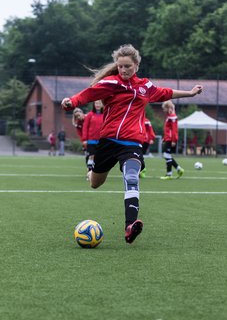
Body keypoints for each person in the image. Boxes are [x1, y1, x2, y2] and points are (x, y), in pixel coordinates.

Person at [61, 44, 203, 244]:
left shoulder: (145, 87)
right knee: (95, 183)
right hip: (108, 142)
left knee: (131, 176)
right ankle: (90, 171)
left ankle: (130, 225)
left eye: (127, 66)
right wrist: (72, 102)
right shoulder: (111, 83)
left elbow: (165, 92)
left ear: (136, 65)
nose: (123, 70)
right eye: (120, 66)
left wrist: (190, 93)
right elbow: (89, 94)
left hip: (132, 143)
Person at [160, 100, 184, 180]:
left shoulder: (172, 117)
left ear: (168, 108)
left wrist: (173, 140)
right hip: (168, 138)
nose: (163, 110)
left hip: (171, 139)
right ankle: (178, 169)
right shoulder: (169, 116)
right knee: (167, 155)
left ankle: (169, 174)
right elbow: (168, 129)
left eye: (164, 109)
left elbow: (174, 129)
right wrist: (164, 138)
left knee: (166, 155)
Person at [82, 100, 104, 175]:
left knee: (99, 158)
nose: (97, 105)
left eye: (99, 103)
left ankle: (97, 173)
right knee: (91, 156)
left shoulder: (105, 115)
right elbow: (85, 127)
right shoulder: (90, 115)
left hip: (101, 140)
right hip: (91, 140)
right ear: (94, 105)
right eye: (96, 103)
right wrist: (84, 139)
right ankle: (89, 172)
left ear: (102, 105)